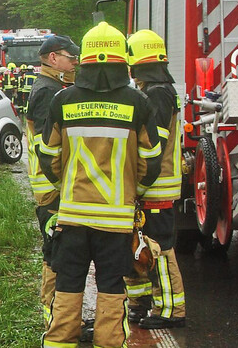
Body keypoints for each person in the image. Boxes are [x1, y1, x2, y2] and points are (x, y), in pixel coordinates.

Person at [39, 22, 163, 348]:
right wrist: (133, 192)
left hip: (72, 219)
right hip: (115, 222)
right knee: (111, 289)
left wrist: (65, 186)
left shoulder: (62, 100)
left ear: (85, 61)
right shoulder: (139, 103)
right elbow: (150, 162)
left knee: (67, 287)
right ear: (123, 61)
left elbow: (48, 157)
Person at [124, 29, 186, 329]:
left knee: (158, 248)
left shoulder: (157, 94)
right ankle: (141, 303)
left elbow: (153, 147)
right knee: (139, 246)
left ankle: (171, 311)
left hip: (156, 186)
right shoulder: (157, 90)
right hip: (151, 186)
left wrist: (138, 182)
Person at [25, 35, 80, 325]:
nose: (75, 62)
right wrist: (63, 184)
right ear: (52, 58)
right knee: (56, 252)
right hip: (51, 189)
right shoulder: (48, 92)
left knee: (60, 251)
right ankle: (56, 320)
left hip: (53, 186)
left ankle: (60, 318)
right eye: (70, 57)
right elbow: (49, 149)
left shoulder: (54, 86)